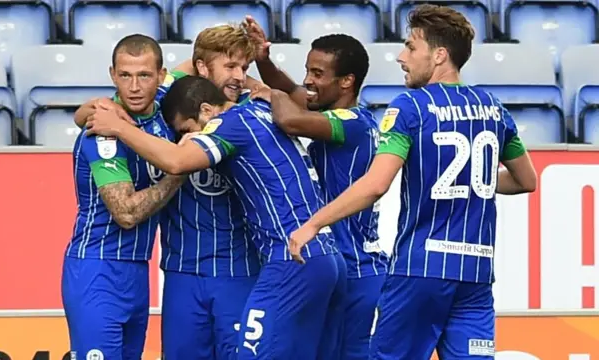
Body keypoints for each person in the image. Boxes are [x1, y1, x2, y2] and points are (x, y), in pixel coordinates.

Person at [289, 5, 538, 360]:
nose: (400, 57)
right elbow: (525, 179)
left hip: (420, 270)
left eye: (410, 47)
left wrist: (313, 224)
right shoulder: (494, 108)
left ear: (439, 55)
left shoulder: (410, 107)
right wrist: (473, 176)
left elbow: (376, 185)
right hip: (477, 273)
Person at [85, 75, 346, 360]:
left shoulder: (230, 123)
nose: (188, 138)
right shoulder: (259, 110)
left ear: (208, 110)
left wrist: (119, 128)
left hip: (290, 255)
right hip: (326, 256)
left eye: (188, 129)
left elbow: (176, 161)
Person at [76, 25, 262, 360]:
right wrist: (95, 108)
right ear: (202, 68)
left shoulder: (253, 111)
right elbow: (100, 110)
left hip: (240, 270)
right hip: (178, 274)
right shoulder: (169, 101)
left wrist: (269, 79)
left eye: (245, 69)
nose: (241, 78)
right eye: (231, 67)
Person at [243, 20, 388, 359]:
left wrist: (273, 95)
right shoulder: (333, 111)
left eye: (318, 73)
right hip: (333, 267)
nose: (308, 80)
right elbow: (296, 92)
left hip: (359, 272)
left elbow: (290, 118)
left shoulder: (353, 123)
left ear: (347, 81)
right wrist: (263, 61)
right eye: (308, 69)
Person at [61, 34, 185, 360]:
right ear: (112, 75)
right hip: (97, 271)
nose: (133, 86)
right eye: (125, 75)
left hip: (138, 273)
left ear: (161, 76)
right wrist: (179, 171)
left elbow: (206, 65)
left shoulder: (162, 112)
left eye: (144, 75)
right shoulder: (102, 128)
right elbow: (126, 213)